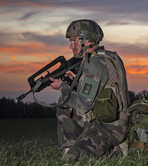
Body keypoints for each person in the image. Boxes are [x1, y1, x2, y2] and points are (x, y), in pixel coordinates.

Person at [50, 19, 130, 160]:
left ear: (87, 39)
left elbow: (82, 106)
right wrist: (71, 84)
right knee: (65, 103)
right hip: (100, 120)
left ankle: (117, 149)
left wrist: (62, 86)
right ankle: (70, 147)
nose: (71, 46)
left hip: (110, 128)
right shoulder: (103, 57)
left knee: (71, 161)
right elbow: (94, 94)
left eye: (74, 41)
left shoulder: (95, 63)